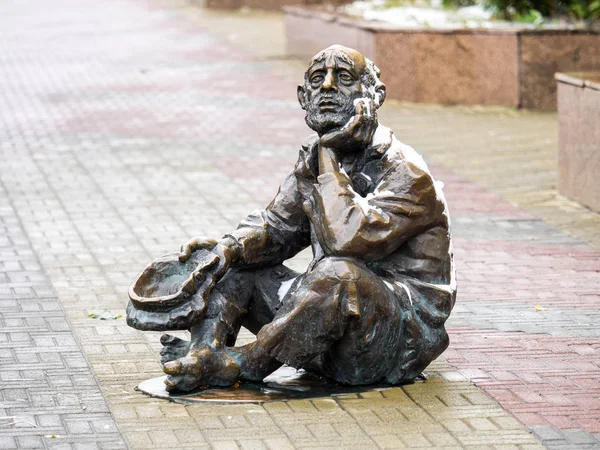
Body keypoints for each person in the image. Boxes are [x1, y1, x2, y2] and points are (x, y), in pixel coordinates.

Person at [157, 45, 456, 392]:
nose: (328, 86)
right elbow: (279, 227)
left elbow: (346, 240)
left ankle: (242, 363)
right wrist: (228, 249)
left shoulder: (406, 172)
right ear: (303, 97)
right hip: (323, 326)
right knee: (240, 264)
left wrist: (328, 154)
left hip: (387, 345)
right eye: (318, 79)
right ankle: (203, 354)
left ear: (374, 95)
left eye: (344, 78)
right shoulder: (313, 155)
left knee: (339, 273)